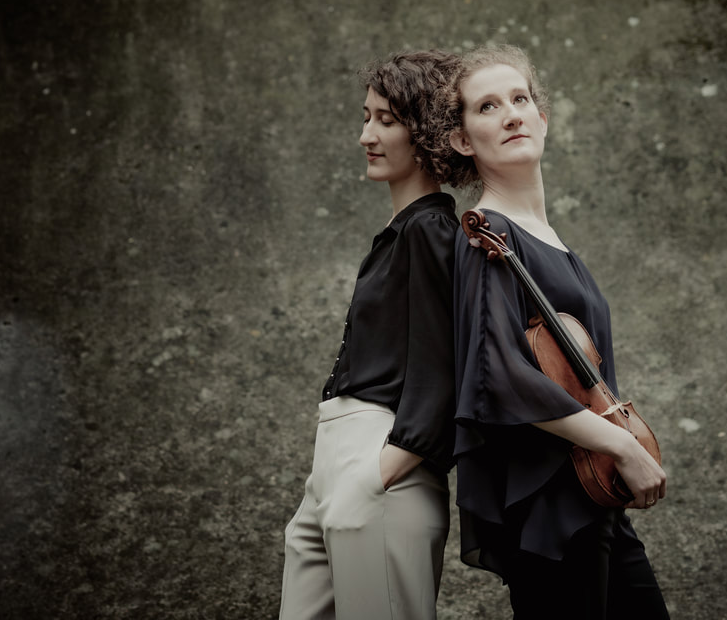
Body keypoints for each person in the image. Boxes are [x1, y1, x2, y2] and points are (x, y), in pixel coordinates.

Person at [439, 44, 670, 619]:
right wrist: (623, 444)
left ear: (543, 118)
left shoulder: (549, 240)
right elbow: (499, 380)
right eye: (488, 106)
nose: (511, 115)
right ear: (463, 140)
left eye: (520, 99)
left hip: (593, 495)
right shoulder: (487, 236)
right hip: (550, 508)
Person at [279, 50, 461, 620]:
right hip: (333, 466)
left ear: (426, 132)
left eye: (386, 120)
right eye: (366, 118)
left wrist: (380, 472)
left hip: (379, 464)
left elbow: (444, 365)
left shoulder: (431, 230)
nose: (366, 135)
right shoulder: (402, 230)